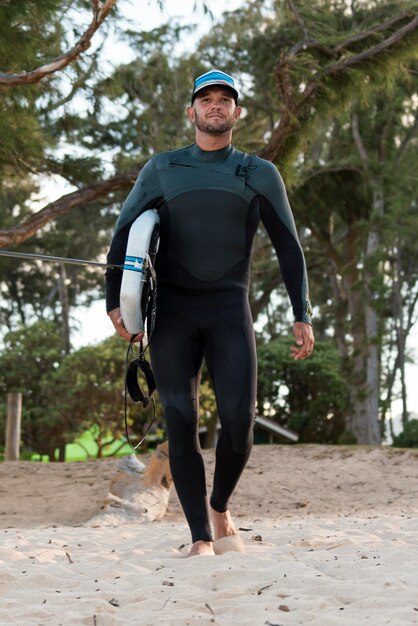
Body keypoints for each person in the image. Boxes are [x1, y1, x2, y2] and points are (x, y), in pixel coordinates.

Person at [106, 69, 314, 557]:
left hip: (228, 308)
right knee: (180, 419)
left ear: (237, 112)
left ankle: (219, 507)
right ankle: (200, 535)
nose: (216, 106)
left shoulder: (259, 173)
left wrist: (301, 312)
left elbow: (288, 246)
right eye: (207, 99)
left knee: (240, 421)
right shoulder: (162, 169)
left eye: (225, 99)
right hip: (172, 315)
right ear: (191, 112)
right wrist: (116, 301)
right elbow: (123, 235)